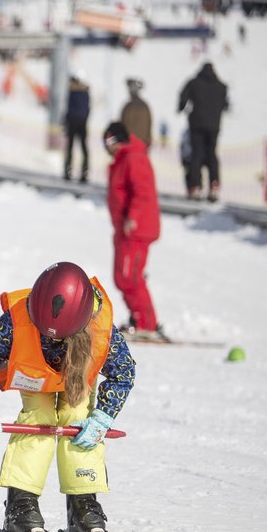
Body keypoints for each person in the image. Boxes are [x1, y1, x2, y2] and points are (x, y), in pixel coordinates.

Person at [0, 261, 136, 532]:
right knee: (38, 418)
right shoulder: (18, 318)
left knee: (77, 418)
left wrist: (103, 417)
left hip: (76, 378)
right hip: (35, 377)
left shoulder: (100, 329)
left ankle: (84, 507)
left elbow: (123, 372)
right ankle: (22, 506)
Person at [103, 122, 163, 339]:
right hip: (124, 230)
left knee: (131, 276)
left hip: (136, 229)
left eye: (110, 142)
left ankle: (146, 324)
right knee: (121, 277)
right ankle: (137, 317)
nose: (108, 147)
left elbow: (143, 191)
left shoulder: (133, 158)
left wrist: (133, 217)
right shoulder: (122, 159)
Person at [178, 62, 228, 202]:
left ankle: (195, 187)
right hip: (214, 126)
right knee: (212, 155)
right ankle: (214, 185)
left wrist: (181, 107)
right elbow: (226, 104)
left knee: (197, 155)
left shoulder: (194, 83)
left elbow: (183, 97)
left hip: (197, 125)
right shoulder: (221, 86)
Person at [63, 72, 91, 182]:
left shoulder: (72, 92)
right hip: (82, 122)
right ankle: (85, 171)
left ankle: (68, 171)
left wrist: (66, 121)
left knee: (70, 147)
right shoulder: (86, 92)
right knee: (83, 147)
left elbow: (69, 110)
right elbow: (88, 109)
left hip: (73, 122)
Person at [120, 78, 152, 149]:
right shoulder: (144, 106)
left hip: (132, 144)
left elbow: (122, 126)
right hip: (140, 144)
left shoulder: (129, 107)